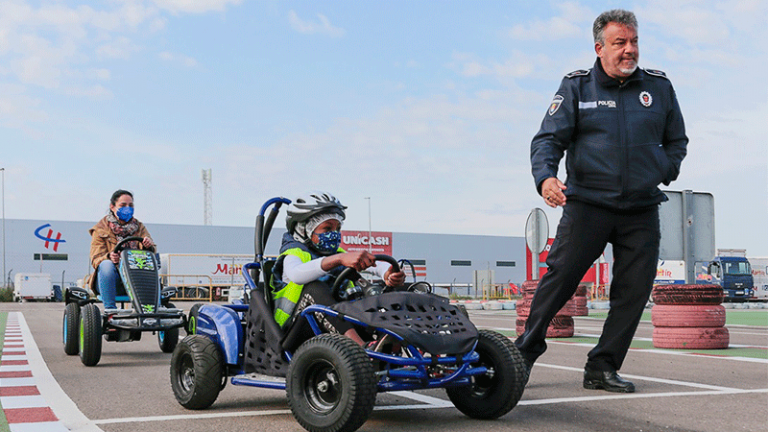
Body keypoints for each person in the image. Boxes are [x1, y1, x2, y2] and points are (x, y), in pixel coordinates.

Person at [516, 9, 688, 393]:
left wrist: (663, 168)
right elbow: (547, 140)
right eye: (620, 43)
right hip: (588, 204)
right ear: (599, 48)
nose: (629, 51)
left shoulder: (659, 88)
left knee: (633, 291)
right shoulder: (577, 87)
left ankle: (603, 366)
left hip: (641, 208)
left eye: (634, 42)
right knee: (559, 280)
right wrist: (545, 177)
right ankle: (522, 355)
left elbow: (677, 141)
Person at [270, 191, 405, 346]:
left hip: (331, 325)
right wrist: (339, 259)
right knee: (315, 288)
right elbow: (297, 275)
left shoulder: (338, 254)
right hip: (293, 330)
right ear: (302, 229)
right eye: (327, 229)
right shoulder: (293, 253)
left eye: (337, 228)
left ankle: (392, 345)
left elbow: (374, 264)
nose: (334, 234)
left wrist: (387, 272)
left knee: (372, 290)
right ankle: (360, 347)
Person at [88, 190, 155, 310]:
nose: (127, 208)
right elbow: (95, 258)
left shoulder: (139, 227)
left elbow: (151, 250)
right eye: (123, 205)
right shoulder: (100, 229)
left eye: (130, 206)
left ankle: (151, 310)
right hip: (110, 280)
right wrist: (109, 257)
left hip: (135, 279)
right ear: (112, 207)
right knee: (106, 265)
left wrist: (147, 245)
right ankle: (110, 311)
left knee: (150, 264)